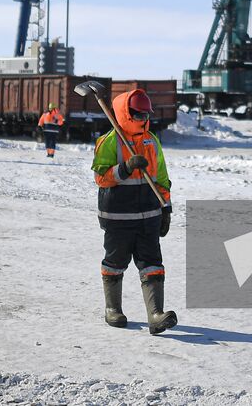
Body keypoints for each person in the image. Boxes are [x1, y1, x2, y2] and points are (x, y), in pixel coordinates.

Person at [91, 89, 176, 334]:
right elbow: (101, 178)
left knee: (152, 264)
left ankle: (156, 315)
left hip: (149, 215)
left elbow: (161, 177)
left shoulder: (151, 140)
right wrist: (125, 168)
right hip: (118, 216)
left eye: (145, 115)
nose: (143, 119)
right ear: (127, 114)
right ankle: (113, 309)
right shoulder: (110, 141)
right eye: (138, 115)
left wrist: (166, 207)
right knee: (115, 263)